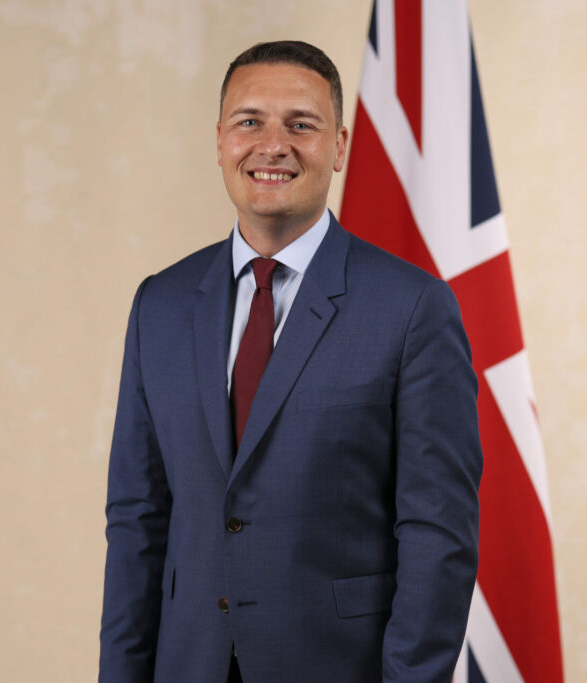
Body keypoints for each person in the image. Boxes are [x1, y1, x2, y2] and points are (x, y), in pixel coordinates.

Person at [100, 40, 482, 683]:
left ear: (338, 146)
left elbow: (437, 534)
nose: (272, 145)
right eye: (249, 121)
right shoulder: (159, 305)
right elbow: (137, 520)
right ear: (220, 139)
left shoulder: (413, 307)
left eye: (301, 124)